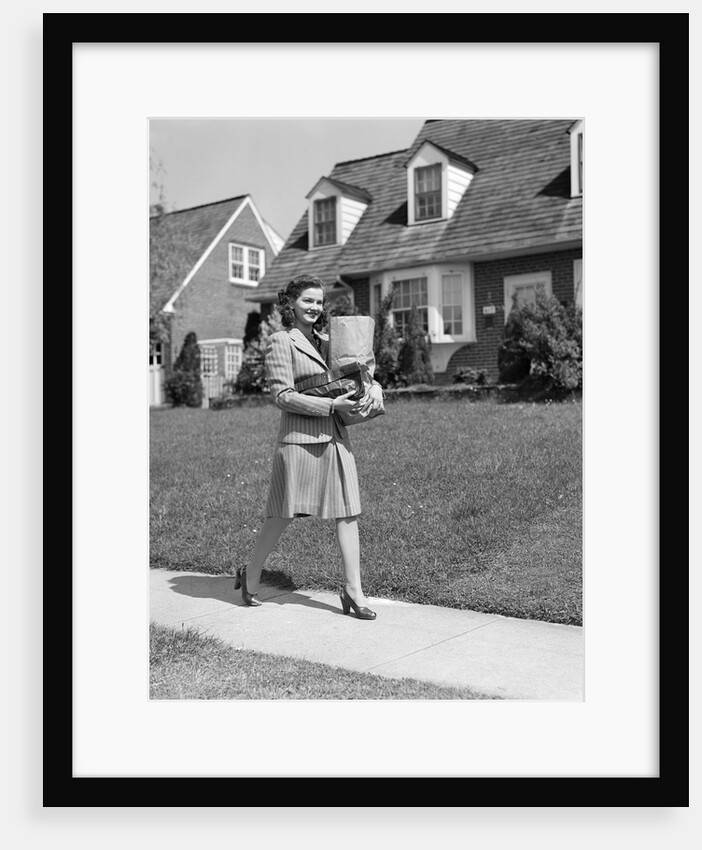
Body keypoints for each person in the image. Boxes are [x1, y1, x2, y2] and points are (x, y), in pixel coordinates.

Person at [235, 273, 384, 620]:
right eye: (307, 301)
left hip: (335, 438)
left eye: (319, 302)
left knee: (348, 511)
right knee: (283, 515)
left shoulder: (331, 340)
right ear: (290, 303)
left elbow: (357, 372)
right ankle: (251, 574)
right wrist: (331, 406)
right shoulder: (280, 341)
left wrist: (374, 386)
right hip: (299, 440)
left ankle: (353, 591)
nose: (315, 307)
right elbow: (282, 395)